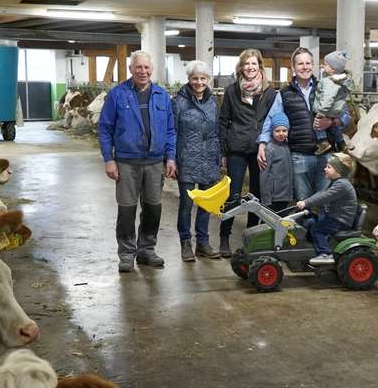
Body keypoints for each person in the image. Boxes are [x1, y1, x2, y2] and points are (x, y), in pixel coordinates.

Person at [97, 51, 177, 273]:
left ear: (152, 69)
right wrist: (108, 159)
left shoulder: (162, 95)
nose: (143, 71)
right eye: (138, 67)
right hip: (126, 162)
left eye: (147, 68)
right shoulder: (117, 94)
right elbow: (104, 128)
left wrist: (170, 157)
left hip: (154, 162)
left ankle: (146, 250)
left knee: (153, 208)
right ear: (131, 69)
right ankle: (126, 254)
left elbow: (171, 131)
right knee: (127, 209)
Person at [257, 47, 351, 202]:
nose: (305, 67)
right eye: (300, 64)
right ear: (293, 68)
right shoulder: (284, 93)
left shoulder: (328, 86)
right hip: (299, 156)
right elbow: (271, 119)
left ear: (313, 65)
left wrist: (332, 121)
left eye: (308, 63)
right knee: (302, 203)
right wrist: (262, 143)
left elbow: (346, 115)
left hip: (326, 157)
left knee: (324, 201)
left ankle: (320, 227)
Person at [218, 48, 277, 257]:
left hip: (260, 149)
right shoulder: (232, 91)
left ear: (260, 66)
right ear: (241, 67)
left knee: (257, 194)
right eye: (246, 64)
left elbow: (272, 120)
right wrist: (223, 150)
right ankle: (224, 237)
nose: (250, 68)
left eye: (254, 64)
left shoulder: (269, 92)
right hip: (237, 148)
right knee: (233, 193)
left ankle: (252, 237)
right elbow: (223, 121)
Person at [171, 60, 222, 262]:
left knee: (206, 204)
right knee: (186, 204)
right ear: (189, 79)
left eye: (203, 78)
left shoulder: (213, 102)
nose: (199, 82)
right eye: (195, 78)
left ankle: (203, 242)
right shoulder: (178, 102)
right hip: (187, 158)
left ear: (208, 79)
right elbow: (172, 132)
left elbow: (217, 131)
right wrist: (173, 159)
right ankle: (186, 243)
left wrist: (220, 155)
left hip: (209, 158)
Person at [296, 152, 357, 265]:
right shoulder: (336, 182)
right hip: (334, 216)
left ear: (338, 171)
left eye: (329, 167)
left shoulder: (342, 185)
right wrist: (306, 202)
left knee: (317, 229)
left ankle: (325, 253)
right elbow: (321, 193)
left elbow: (324, 197)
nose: (325, 169)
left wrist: (306, 202)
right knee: (309, 222)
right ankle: (313, 247)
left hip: (340, 220)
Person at [313, 50, 354, 155]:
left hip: (327, 109)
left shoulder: (329, 81)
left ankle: (323, 142)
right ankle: (341, 143)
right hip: (336, 110)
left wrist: (322, 112)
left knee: (318, 124)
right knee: (334, 128)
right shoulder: (341, 82)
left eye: (326, 64)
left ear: (333, 68)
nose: (323, 65)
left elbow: (328, 97)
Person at [259, 112, 293, 211]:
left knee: (280, 222)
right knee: (268, 223)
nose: (281, 133)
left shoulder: (287, 146)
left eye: (284, 130)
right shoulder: (269, 149)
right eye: (277, 131)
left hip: (285, 195)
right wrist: (266, 199)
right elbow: (264, 175)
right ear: (272, 131)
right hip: (273, 197)